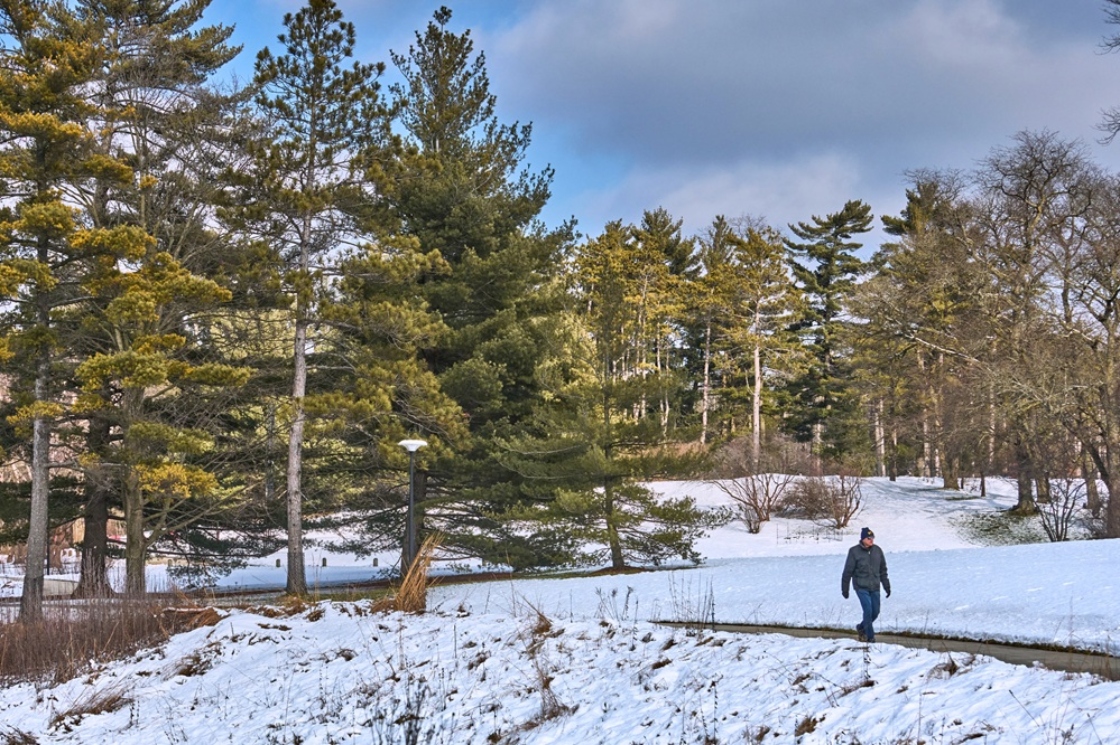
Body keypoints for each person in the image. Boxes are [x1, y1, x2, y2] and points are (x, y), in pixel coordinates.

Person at [841, 527, 891, 642]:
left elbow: (883, 570)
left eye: (872, 538)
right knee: (868, 611)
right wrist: (845, 589)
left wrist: (887, 586)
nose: (871, 540)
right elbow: (848, 571)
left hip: (875, 586)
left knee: (875, 612)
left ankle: (861, 627)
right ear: (863, 539)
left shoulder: (877, 550)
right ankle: (870, 637)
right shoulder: (854, 551)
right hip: (861, 586)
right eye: (869, 538)